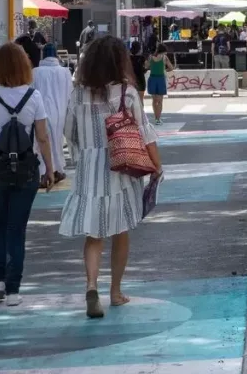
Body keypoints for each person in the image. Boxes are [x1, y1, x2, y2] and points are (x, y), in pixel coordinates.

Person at [60, 35, 162, 319]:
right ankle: (115, 291)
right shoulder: (127, 92)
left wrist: (82, 155)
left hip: (89, 168)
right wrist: (157, 164)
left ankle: (91, 285)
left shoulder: (78, 93)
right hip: (122, 165)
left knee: (94, 233)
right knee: (121, 230)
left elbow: (69, 131)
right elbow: (144, 130)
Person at [0, 43, 56, 306]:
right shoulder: (34, 97)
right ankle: (14, 290)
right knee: (17, 229)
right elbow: (42, 137)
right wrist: (49, 169)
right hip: (26, 170)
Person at [33, 43, 72, 181]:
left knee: (40, 142)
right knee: (57, 142)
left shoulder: (35, 72)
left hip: (40, 114)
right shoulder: (65, 72)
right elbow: (70, 94)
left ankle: (43, 172)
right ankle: (58, 170)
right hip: (60, 112)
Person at [146, 43, 173, 125]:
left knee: (154, 100)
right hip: (160, 79)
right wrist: (164, 70)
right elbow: (171, 67)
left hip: (152, 78)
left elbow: (146, 66)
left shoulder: (150, 57)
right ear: (163, 51)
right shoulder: (165, 58)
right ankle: (158, 119)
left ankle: (156, 118)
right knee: (160, 101)